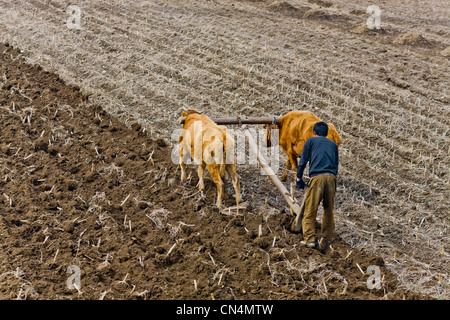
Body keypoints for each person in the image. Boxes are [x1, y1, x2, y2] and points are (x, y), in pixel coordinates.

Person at [295, 121, 339, 250]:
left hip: (317, 177)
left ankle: (310, 239)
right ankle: (327, 238)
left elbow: (303, 161)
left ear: (314, 132)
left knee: (310, 209)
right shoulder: (333, 145)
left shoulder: (311, 141)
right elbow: (336, 164)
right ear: (326, 133)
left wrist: (298, 177)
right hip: (331, 178)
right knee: (328, 209)